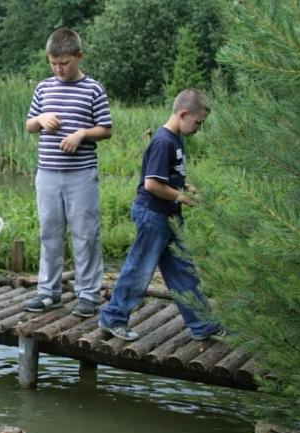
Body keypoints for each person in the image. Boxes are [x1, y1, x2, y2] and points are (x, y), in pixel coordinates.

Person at [98, 89, 224, 341]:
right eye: (198, 122)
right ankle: (112, 318)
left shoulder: (176, 139)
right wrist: (182, 197)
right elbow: (152, 184)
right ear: (184, 114)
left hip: (169, 216)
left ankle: (203, 324)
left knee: (183, 271)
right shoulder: (163, 141)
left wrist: (185, 186)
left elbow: (170, 175)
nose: (199, 127)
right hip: (153, 214)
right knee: (140, 269)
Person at [24, 27, 114, 317]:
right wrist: (40, 119)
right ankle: (48, 292)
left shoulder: (93, 89)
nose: (59, 69)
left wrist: (81, 135)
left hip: (81, 175)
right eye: (53, 63)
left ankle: (88, 294)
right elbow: (28, 125)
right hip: (47, 173)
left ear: (79, 57)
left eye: (64, 63)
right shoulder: (43, 88)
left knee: (85, 234)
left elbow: (106, 129)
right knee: (49, 233)